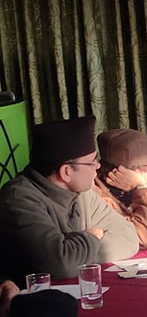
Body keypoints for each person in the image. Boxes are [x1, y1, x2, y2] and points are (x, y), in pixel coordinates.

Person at [0, 116, 139, 282]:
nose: (98, 166)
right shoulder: (18, 201)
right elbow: (62, 264)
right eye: (91, 162)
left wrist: (78, 254)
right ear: (66, 172)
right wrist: (92, 237)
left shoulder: (81, 193)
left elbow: (129, 237)